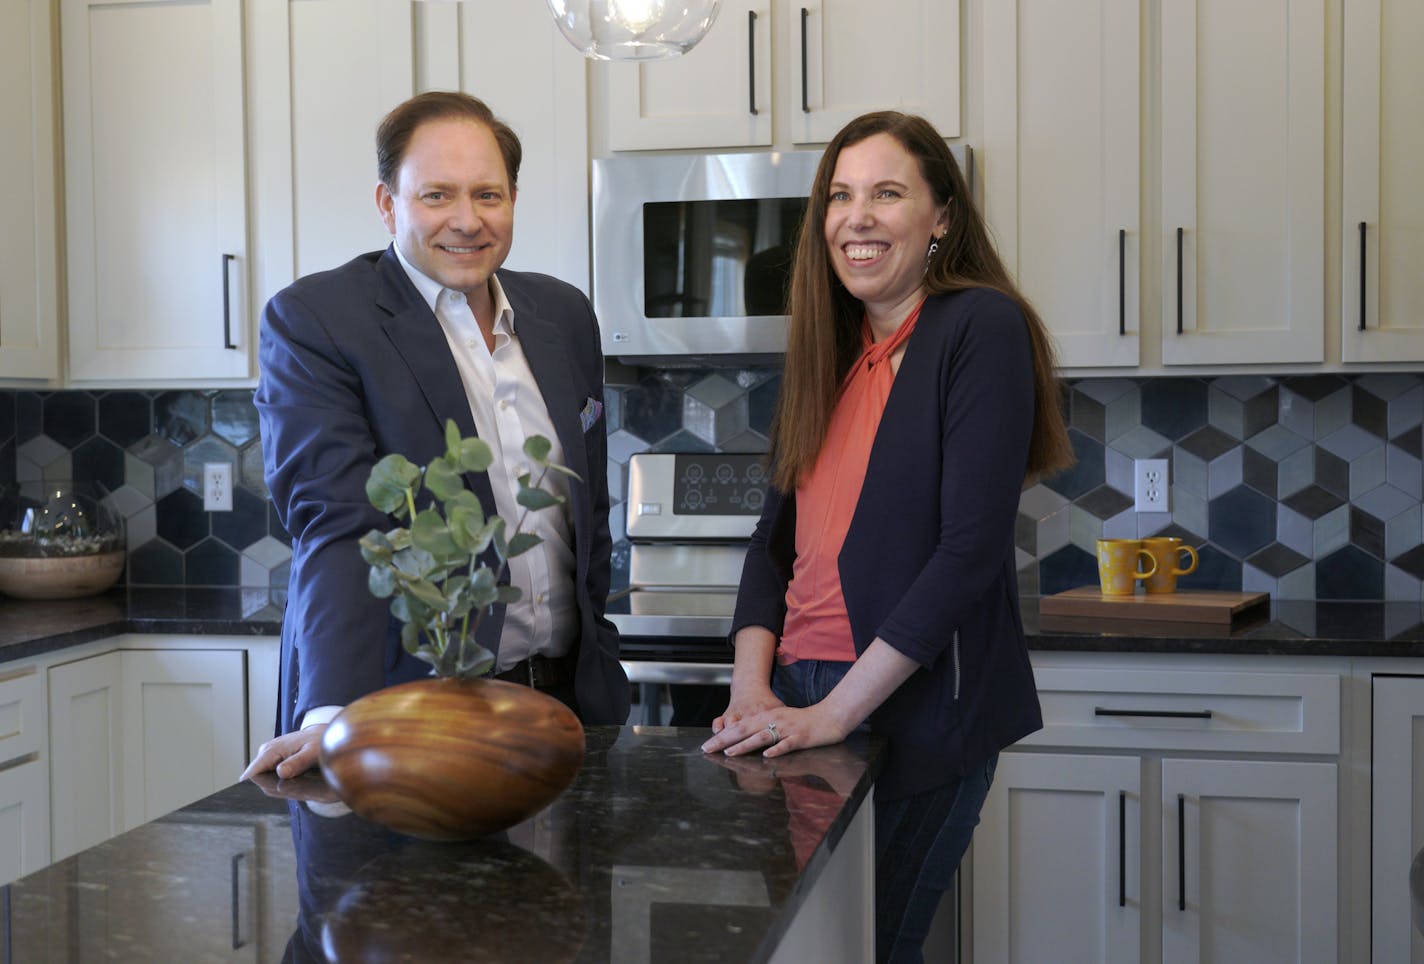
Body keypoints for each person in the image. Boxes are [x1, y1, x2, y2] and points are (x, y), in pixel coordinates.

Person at [699, 110, 1074, 962]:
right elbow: (772, 546)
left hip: (912, 700)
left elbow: (970, 552)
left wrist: (835, 712)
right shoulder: (829, 345)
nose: (855, 217)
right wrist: (754, 690)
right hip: (798, 690)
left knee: (872, 943)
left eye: (887, 193)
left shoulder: (979, 327)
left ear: (941, 216)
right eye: (840, 195)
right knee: (808, 944)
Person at [242, 91, 629, 782]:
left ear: (513, 198)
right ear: (388, 204)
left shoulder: (563, 314)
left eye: (488, 194)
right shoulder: (319, 321)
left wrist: (602, 664)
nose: (467, 220)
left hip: (569, 707)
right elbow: (337, 524)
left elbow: (586, 510)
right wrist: (332, 716)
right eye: (437, 195)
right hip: (403, 716)